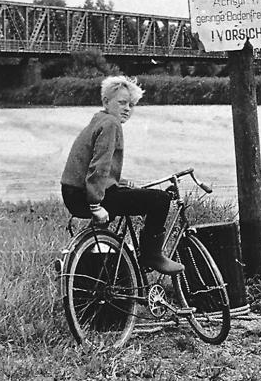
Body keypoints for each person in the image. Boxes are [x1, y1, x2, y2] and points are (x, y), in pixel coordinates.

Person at [60, 75, 184, 275]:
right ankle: (151, 256)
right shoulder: (111, 124)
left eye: (131, 105)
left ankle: (112, 264)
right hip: (85, 197)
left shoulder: (99, 119)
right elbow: (98, 166)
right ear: (106, 102)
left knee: (127, 195)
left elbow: (99, 166)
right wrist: (95, 205)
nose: (127, 108)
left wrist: (120, 183)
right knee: (159, 200)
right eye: (122, 103)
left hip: (73, 193)